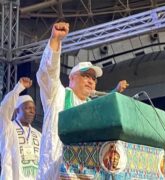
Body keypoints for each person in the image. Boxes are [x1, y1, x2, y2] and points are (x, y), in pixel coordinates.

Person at [36, 22, 129, 180]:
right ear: (72, 78)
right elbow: (48, 73)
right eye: (86, 76)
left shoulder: (92, 108)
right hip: (53, 172)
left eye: (93, 78)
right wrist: (55, 40)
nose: (91, 81)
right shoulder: (58, 95)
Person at [0, 77, 41, 180]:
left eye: (34, 109)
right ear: (17, 111)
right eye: (28, 108)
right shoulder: (8, 128)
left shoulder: (38, 134)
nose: (32, 111)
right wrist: (19, 87)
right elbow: (4, 108)